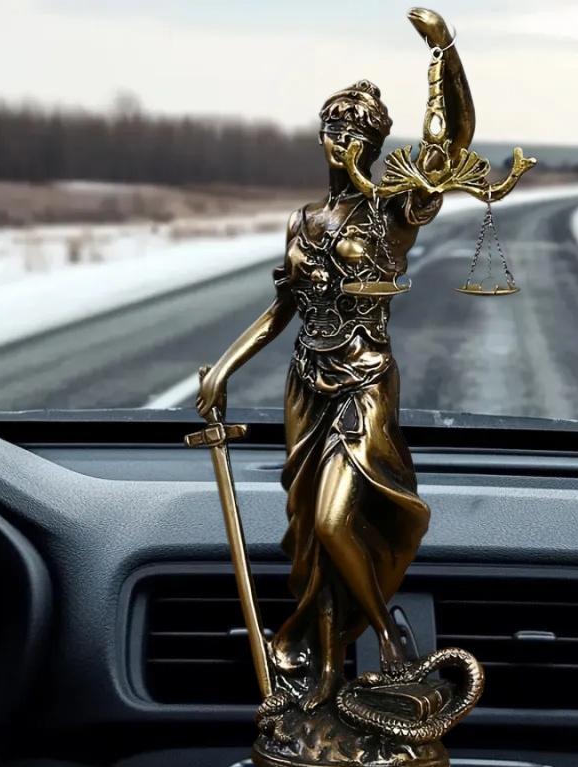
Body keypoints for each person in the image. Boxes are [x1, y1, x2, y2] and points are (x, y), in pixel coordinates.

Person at [197, 9, 473, 711]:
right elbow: (281, 310)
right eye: (333, 129)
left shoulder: (391, 214)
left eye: (355, 135)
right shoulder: (301, 219)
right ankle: (324, 675)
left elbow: (452, 143)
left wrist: (444, 53)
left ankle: (388, 638)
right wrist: (224, 368)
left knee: (333, 521)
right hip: (306, 387)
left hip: (363, 384)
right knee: (313, 546)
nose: (340, 141)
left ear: (375, 146)